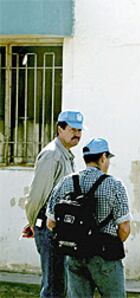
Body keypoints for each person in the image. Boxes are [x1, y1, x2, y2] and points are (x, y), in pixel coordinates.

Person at [46, 137, 132, 298]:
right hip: (105, 255)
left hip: (74, 254)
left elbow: (51, 223)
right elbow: (124, 228)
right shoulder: (114, 185)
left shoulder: (65, 182)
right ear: (103, 157)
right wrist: (112, 243)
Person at [24, 110, 85, 297]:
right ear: (60, 129)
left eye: (80, 130)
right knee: (53, 286)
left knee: (60, 283)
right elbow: (37, 196)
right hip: (48, 226)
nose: (77, 134)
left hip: (61, 226)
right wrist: (34, 222)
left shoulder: (64, 154)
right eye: (73, 129)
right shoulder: (52, 155)